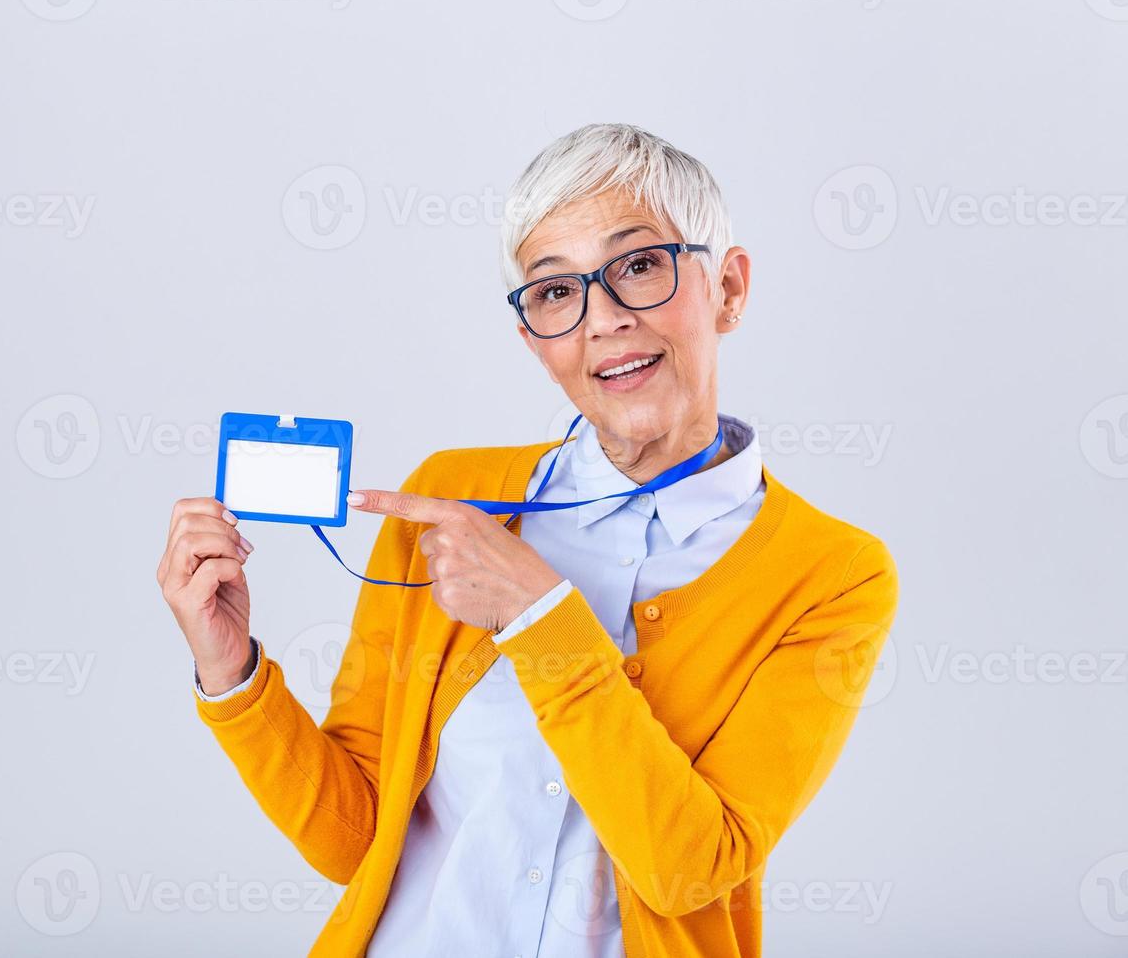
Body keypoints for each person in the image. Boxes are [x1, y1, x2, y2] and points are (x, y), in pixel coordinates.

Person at [157, 123, 899, 957]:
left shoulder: (833, 575)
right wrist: (232, 674)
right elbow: (355, 840)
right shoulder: (445, 501)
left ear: (728, 287)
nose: (605, 320)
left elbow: (689, 868)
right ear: (534, 340)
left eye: (641, 266)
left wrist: (542, 617)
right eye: (555, 292)